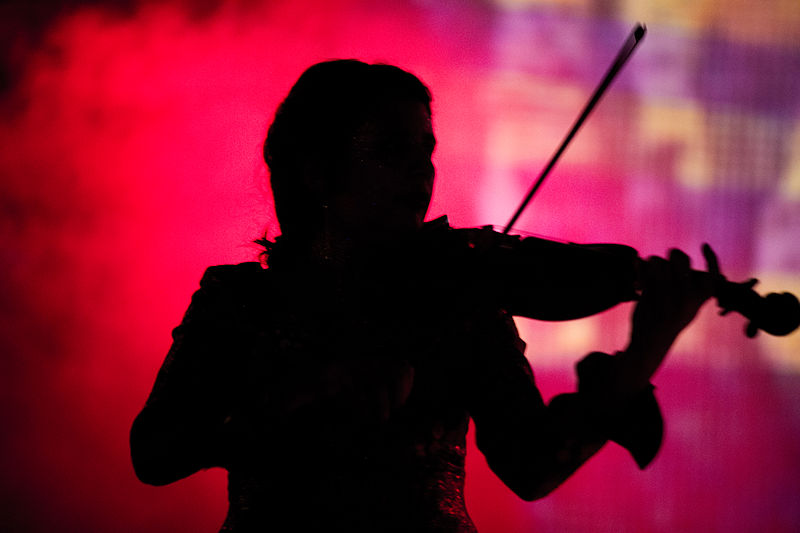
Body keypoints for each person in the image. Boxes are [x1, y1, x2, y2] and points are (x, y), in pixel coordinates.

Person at [130, 60, 716, 532]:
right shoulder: (239, 301)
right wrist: (312, 386)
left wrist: (644, 353)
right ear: (316, 173)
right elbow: (154, 453)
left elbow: (531, 467)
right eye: (391, 151)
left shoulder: (461, 294)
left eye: (426, 152)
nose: (422, 174)